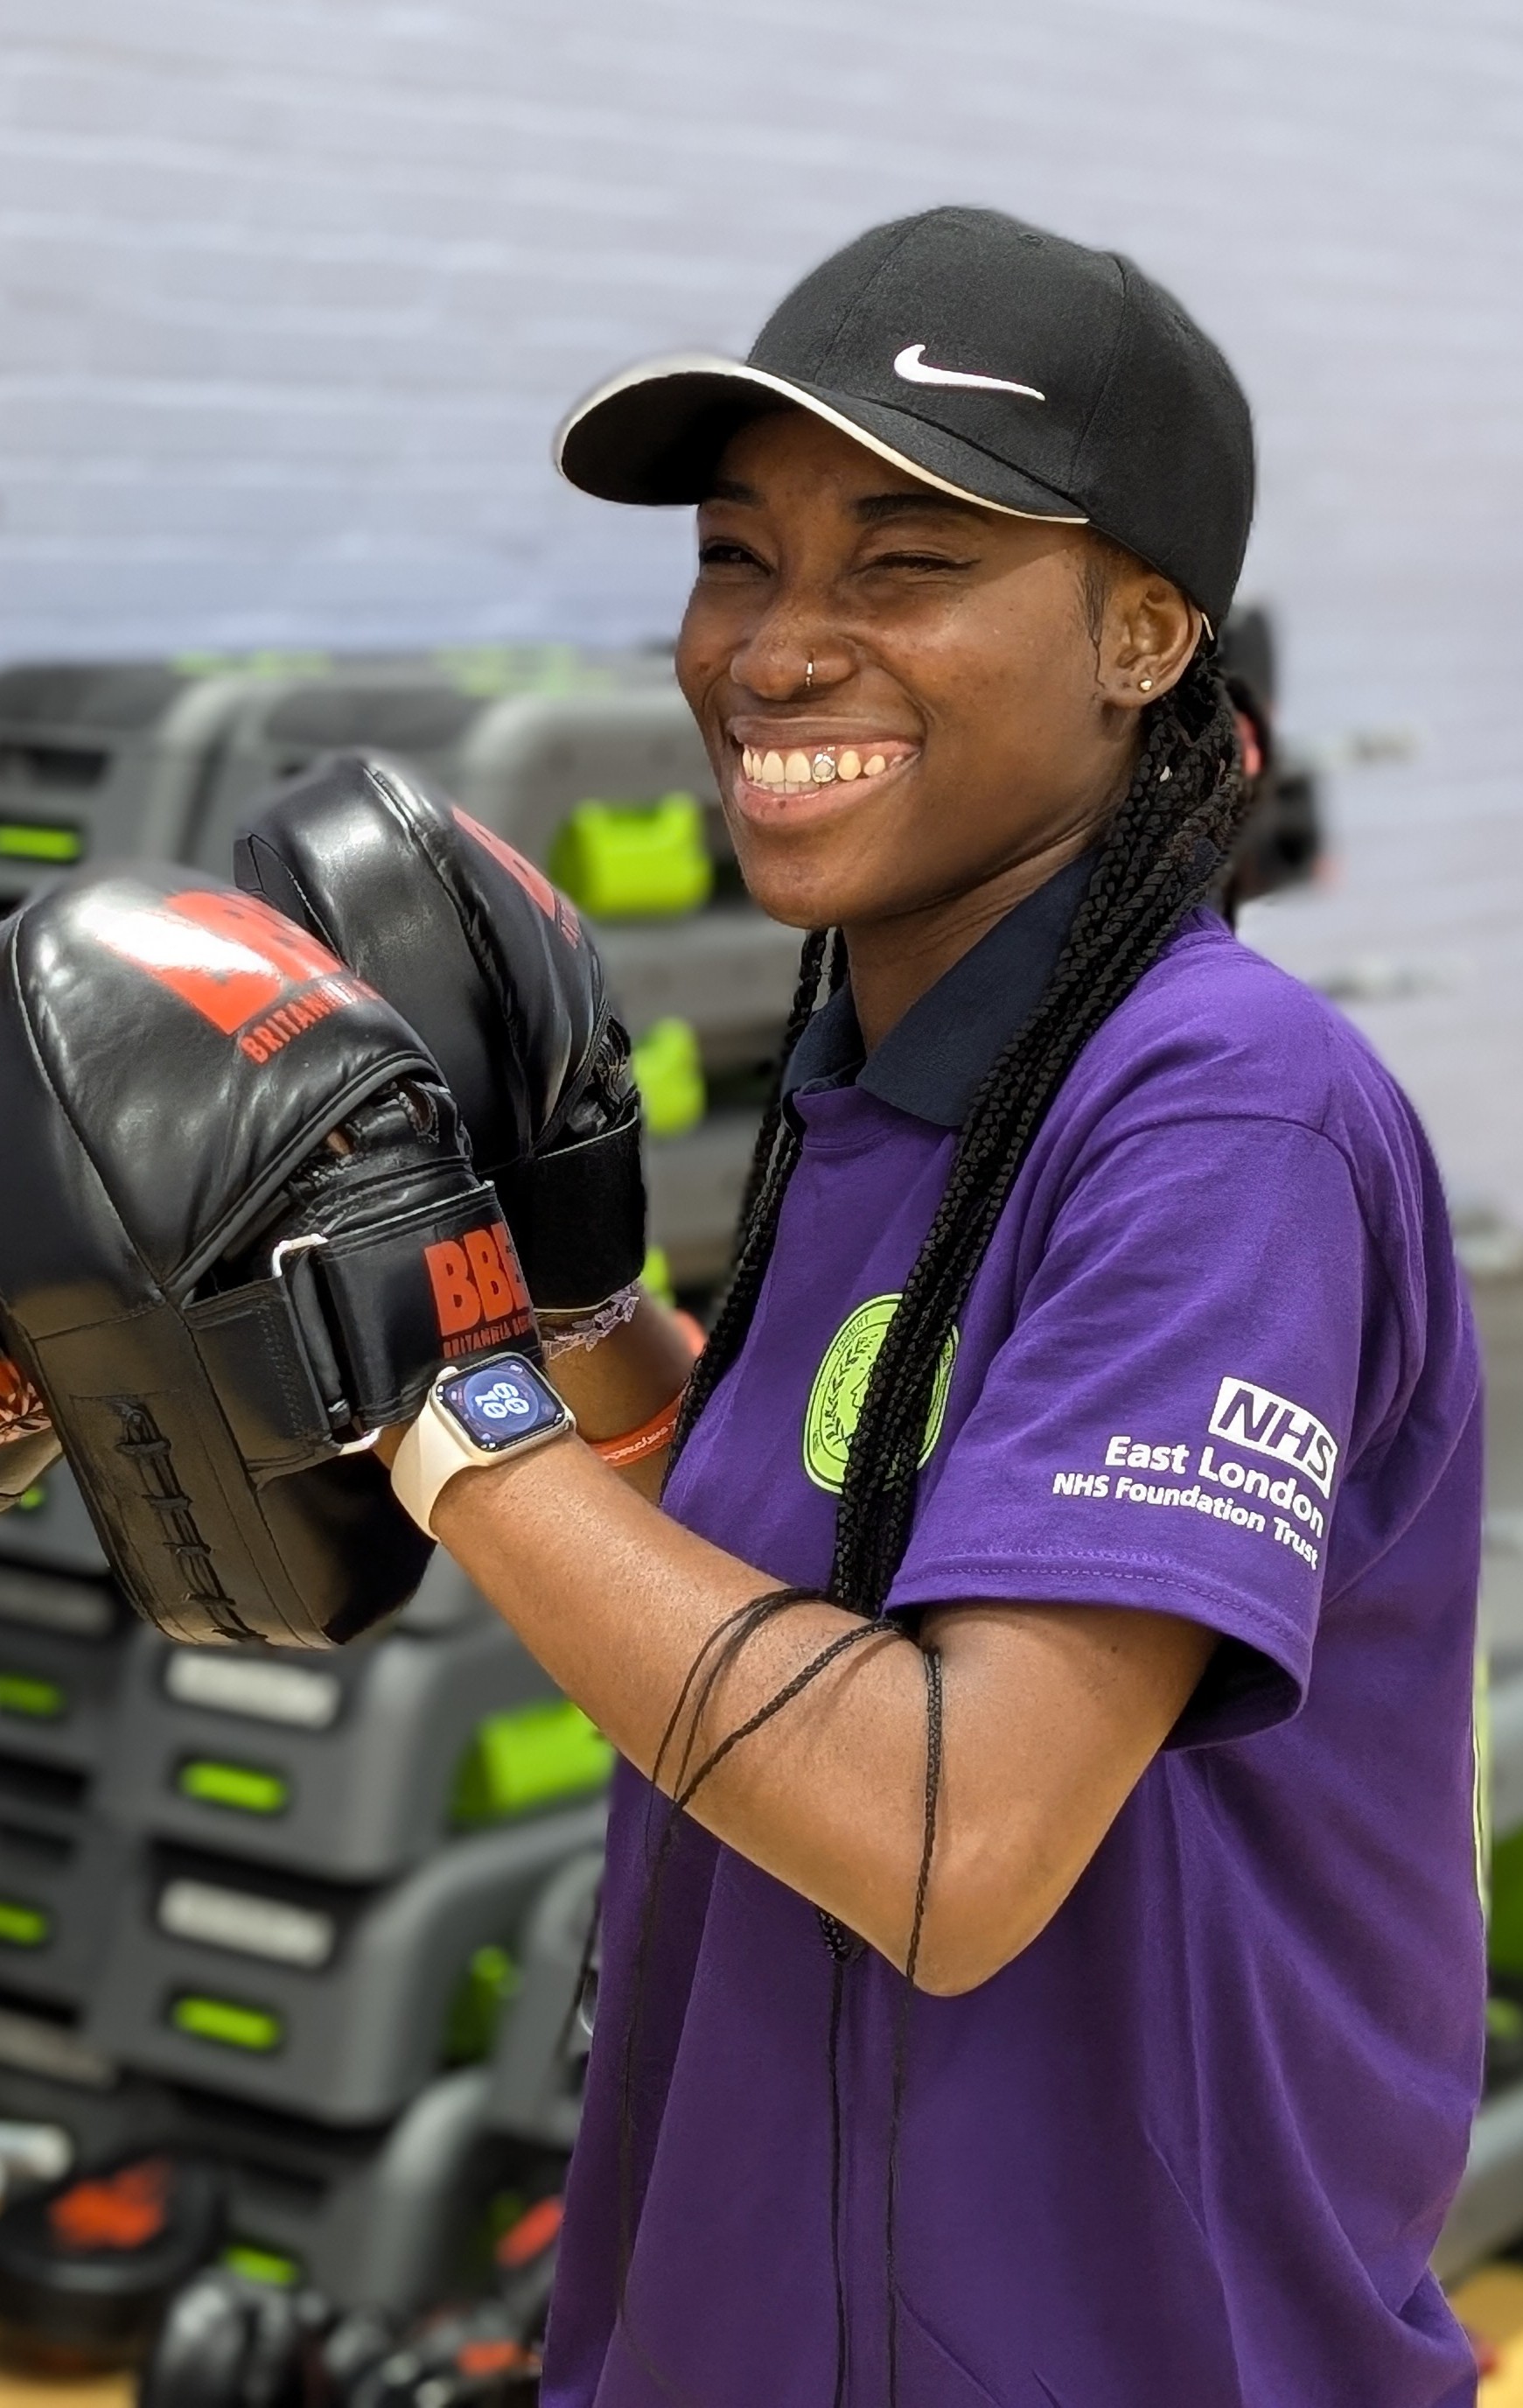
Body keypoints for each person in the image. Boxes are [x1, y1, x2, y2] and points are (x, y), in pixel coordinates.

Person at [382, 208, 1480, 2404]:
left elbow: (949, 1833)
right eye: (738, 556)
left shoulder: (1222, 1117)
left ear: (1142, 632)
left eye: (905, 564)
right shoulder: (888, 1079)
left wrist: (433, 1414)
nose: (778, 646)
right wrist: (541, 1296)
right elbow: (804, 1553)